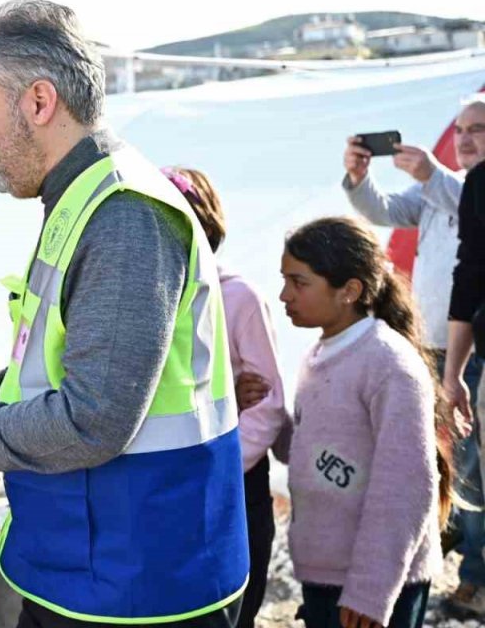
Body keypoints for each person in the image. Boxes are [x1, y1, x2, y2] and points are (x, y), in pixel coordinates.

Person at [0, 0, 247, 628]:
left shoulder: (124, 216)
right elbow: (74, 370)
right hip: (98, 565)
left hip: (139, 586)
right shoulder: (86, 196)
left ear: (39, 102)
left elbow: (94, 420)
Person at [346, 97, 485, 613]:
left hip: (468, 349)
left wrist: (432, 175)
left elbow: (466, 203)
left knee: (471, 463)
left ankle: (475, 572)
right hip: (432, 343)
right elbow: (381, 210)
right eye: (463, 130)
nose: (466, 138)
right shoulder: (441, 188)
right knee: (440, 455)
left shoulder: (458, 188)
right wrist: (358, 179)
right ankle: (454, 544)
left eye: (479, 130)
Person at [279, 216, 448, 628]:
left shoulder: (388, 364)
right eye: (285, 279)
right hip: (325, 574)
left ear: (349, 291)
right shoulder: (319, 356)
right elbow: (315, 451)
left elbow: (406, 486)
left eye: (299, 283)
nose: (285, 295)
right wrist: (266, 411)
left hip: (373, 585)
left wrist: (371, 590)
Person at [164, 167, 289, 628]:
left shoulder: (239, 298)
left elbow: (269, 404)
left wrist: (216, 466)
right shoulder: (152, 300)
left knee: (236, 603)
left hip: (232, 483)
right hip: (175, 482)